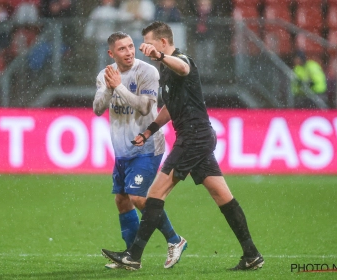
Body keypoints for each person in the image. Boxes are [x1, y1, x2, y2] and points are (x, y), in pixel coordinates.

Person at [101, 21, 264, 271]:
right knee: (222, 196)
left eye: (149, 43)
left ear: (163, 42)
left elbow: (185, 67)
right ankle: (252, 254)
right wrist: (149, 131)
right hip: (195, 138)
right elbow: (170, 107)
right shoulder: (165, 70)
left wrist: (160, 56)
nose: (144, 49)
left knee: (154, 194)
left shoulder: (179, 60)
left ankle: (134, 256)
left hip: (193, 138)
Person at [93, 31, 187, 269]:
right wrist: (108, 87)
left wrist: (119, 88)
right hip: (122, 150)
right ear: (111, 53)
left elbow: (146, 107)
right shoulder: (105, 76)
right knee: (122, 200)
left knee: (138, 197)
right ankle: (130, 256)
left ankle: (175, 240)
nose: (129, 52)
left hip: (147, 146)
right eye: (122, 49)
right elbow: (97, 109)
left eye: (130, 46)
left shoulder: (147, 72)